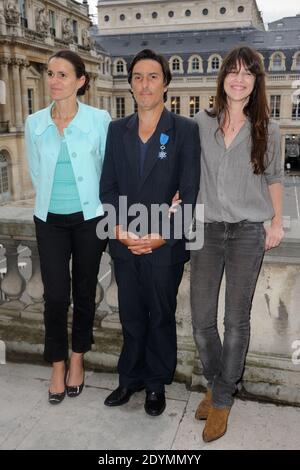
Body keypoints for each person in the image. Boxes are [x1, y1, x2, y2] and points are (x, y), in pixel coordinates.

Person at [191, 46, 284, 441]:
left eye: (248, 72)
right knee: (200, 321)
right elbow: (185, 170)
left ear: (256, 81)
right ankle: (217, 382)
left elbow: (275, 178)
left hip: (247, 230)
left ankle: (223, 400)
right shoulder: (200, 122)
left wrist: (276, 221)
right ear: (223, 76)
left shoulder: (268, 127)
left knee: (236, 321)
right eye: (233, 70)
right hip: (206, 229)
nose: (239, 78)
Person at [100, 49, 200, 416]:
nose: (145, 83)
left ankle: (156, 383)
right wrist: (120, 231)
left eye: (153, 76)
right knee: (130, 314)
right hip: (125, 242)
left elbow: (189, 193)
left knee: (159, 314)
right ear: (130, 85)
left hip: (165, 246)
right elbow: (107, 188)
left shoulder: (185, 131)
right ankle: (130, 378)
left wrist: (163, 236)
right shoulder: (116, 130)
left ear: (166, 84)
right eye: (138, 77)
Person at [25, 50, 111, 404]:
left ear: (81, 80)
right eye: (50, 73)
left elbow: (107, 168)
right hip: (50, 220)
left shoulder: (100, 120)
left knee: (85, 292)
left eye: (62, 74)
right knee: (56, 296)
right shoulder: (34, 123)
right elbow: (35, 171)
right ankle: (57, 365)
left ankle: (78, 359)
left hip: (90, 218)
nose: (54, 81)